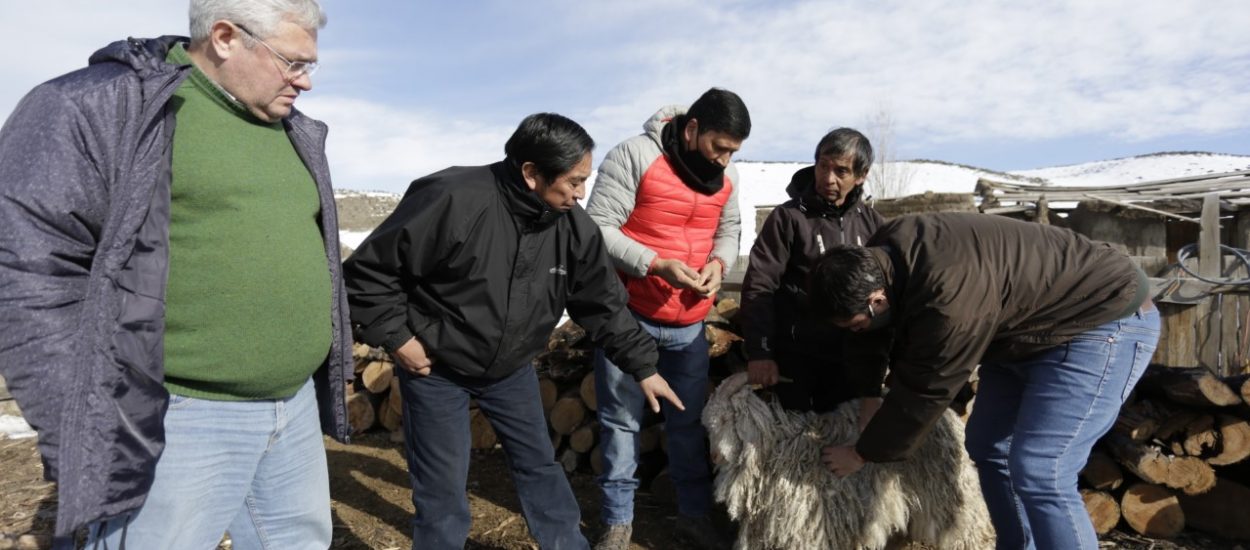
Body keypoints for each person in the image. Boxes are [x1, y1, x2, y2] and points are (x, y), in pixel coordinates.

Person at [0, 0, 351, 548]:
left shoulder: (290, 129)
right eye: (293, 62)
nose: (305, 82)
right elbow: (27, 270)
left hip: (292, 409)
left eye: (310, 65)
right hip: (173, 417)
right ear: (225, 37)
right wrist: (89, 423)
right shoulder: (102, 106)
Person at [343, 113, 684, 550]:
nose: (582, 193)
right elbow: (370, 273)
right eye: (574, 181)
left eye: (585, 179)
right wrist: (400, 340)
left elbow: (603, 304)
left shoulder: (573, 227)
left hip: (511, 370)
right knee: (441, 487)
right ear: (531, 173)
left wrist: (643, 366)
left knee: (540, 466)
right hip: (436, 368)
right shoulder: (453, 199)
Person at [810, 213, 1160, 550]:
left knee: (1042, 469)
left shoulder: (949, 302)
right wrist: (869, 396)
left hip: (1101, 319)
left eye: (856, 323)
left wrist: (861, 453)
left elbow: (926, 389)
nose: (857, 331)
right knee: (989, 446)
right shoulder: (881, 257)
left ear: (877, 300)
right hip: (1026, 330)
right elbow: (869, 336)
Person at [584, 88, 749, 550]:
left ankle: (693, 516)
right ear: (692, 128)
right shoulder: (635, 155)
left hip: (690, 325)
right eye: (719, 147)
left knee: (688, 421)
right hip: (630, 318)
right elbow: (597, 225)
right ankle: (618, 524)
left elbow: (729, 228)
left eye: (733, 152)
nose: (724, 160)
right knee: (620, 422)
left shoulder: (727, 173)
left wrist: (719, 263)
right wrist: (655, 264)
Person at [739, 127, 886, 415]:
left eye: (841, 171)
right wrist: (760, 352)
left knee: (846, 439)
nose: (828, 178)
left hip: (855, 359)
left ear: (861, 174)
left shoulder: (873, 225)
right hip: (798, 359)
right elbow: (760, 285)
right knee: (794, 448)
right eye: (823, 166)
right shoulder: (788, 219)